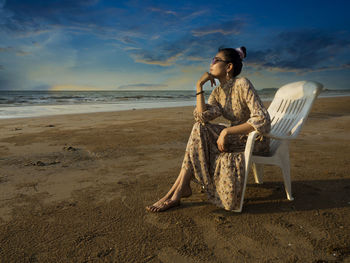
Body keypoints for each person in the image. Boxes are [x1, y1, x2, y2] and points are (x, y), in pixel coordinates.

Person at [146, 47, 271, 212]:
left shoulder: (242, 83)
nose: (211, 64)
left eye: (216, 60)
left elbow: (262, 119)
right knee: (199, 128)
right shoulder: (218, 91)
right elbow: (201, 117)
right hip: (235, 139)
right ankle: (178, 191)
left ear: (229, 67)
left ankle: (176, 192)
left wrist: (226, 132)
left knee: (200, 133)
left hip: (254, 139)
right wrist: (199, 86)